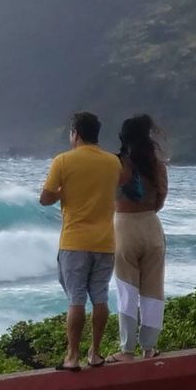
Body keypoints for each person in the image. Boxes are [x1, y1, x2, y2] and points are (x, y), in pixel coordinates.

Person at [39, 111, 122, 370]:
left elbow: (45, 197)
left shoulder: (63, 161)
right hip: (106, 241)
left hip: (75, 241)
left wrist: (64, 191)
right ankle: (95, 353)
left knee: (76, 299)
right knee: (100, 297)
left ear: (75, 132)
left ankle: (72, 356)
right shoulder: (113, 163)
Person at [111, 114, 170, 361]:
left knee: (126, 290)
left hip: (123, 226)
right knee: (153, 290)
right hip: (151, 225)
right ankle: (149, 348)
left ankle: (127, 350)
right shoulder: (157, 165)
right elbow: (160, 200)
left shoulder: (116, 164)